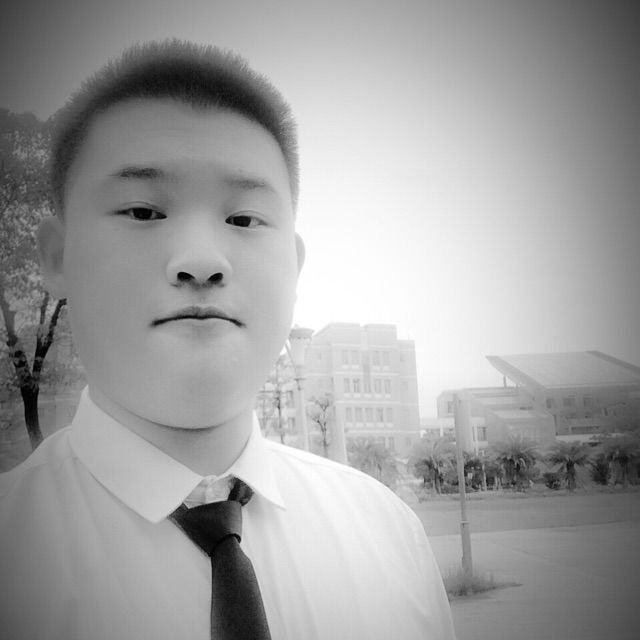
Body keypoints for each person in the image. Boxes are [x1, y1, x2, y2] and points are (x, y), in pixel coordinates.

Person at [0, 40, 456, 639]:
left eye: (243, 219)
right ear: (58, 256)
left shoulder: (389, 538)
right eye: (143, 212)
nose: (202, 260)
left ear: (294, 266)